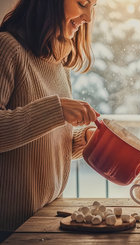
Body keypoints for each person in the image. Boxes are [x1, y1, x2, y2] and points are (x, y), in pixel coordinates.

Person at [0, 0, 100, 240]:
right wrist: (56, 110)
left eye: (93, 6)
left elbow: (47, 136)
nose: (88, 17)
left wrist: (82, 140)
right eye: (82, 3)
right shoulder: (7, 48)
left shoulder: (58, 63)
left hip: (46, 220)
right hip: (8, 228)